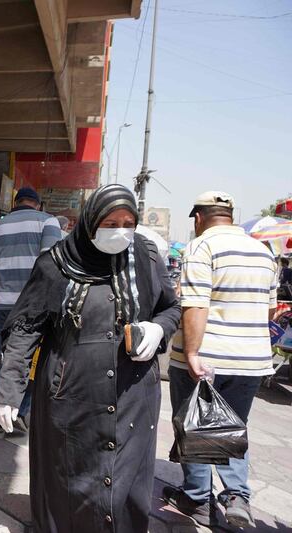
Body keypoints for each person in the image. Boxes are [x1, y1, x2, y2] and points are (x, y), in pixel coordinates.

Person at [0, 184, 180, 532]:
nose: (120, 232)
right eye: (110, 223)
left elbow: (170, 307)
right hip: (70, 400)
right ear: (90, 220)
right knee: (67, 484)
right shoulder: (56, 264)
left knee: (125, 486)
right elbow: (25, 328)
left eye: (128, 222)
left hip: (133, 399)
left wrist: (158, 330)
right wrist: (8, 390)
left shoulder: (146, 257)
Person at [163, 191, 277, 528]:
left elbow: (195, 304)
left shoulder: (201, 247)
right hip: (251, 360)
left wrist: (194, 352)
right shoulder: (263, 251)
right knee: (232, 427)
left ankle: (197, 498)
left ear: (198, 218)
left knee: (197, 424)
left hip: (206, 358)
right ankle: (236, 496)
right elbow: (269, 309)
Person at [0, 187, 62, 431]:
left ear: (15, 203)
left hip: (1, 304)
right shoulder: (49, 222)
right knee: (29, 360)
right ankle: (18, 414)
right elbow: (52, 265)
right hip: (33, 306)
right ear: (37, 204)